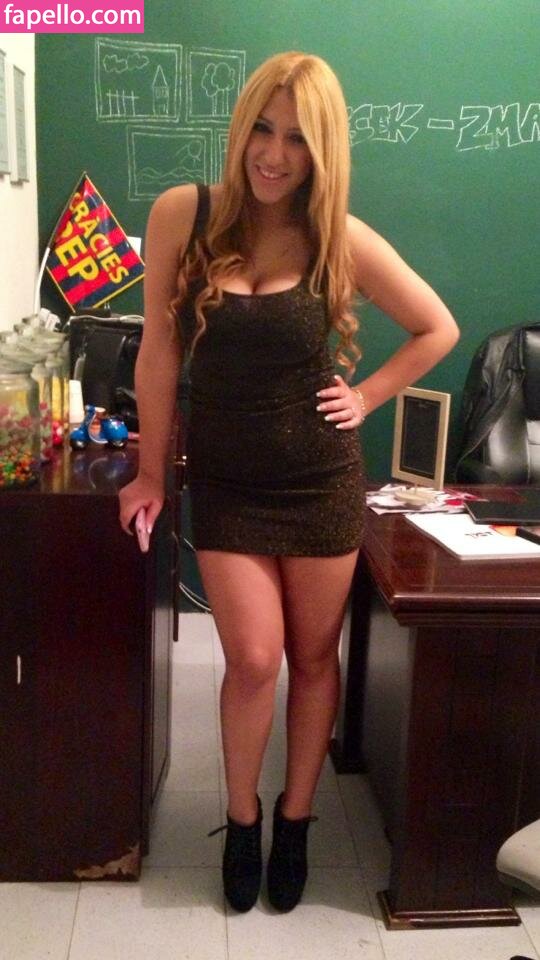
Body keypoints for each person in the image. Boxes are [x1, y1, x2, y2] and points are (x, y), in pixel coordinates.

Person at [119, 50, 459, 913]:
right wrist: (150, 471)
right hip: (229, 485)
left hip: (320, 484)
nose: (274, 154)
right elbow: (159, 348)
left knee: (313, 659)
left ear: (323, 150)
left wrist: (368, 395)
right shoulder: (183, 214)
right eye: (263, 130)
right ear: (242, 129)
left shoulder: (339, 235)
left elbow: (436, 327)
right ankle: (242, 820)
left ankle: (295, 819)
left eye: (298, 139)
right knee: (253, 658)